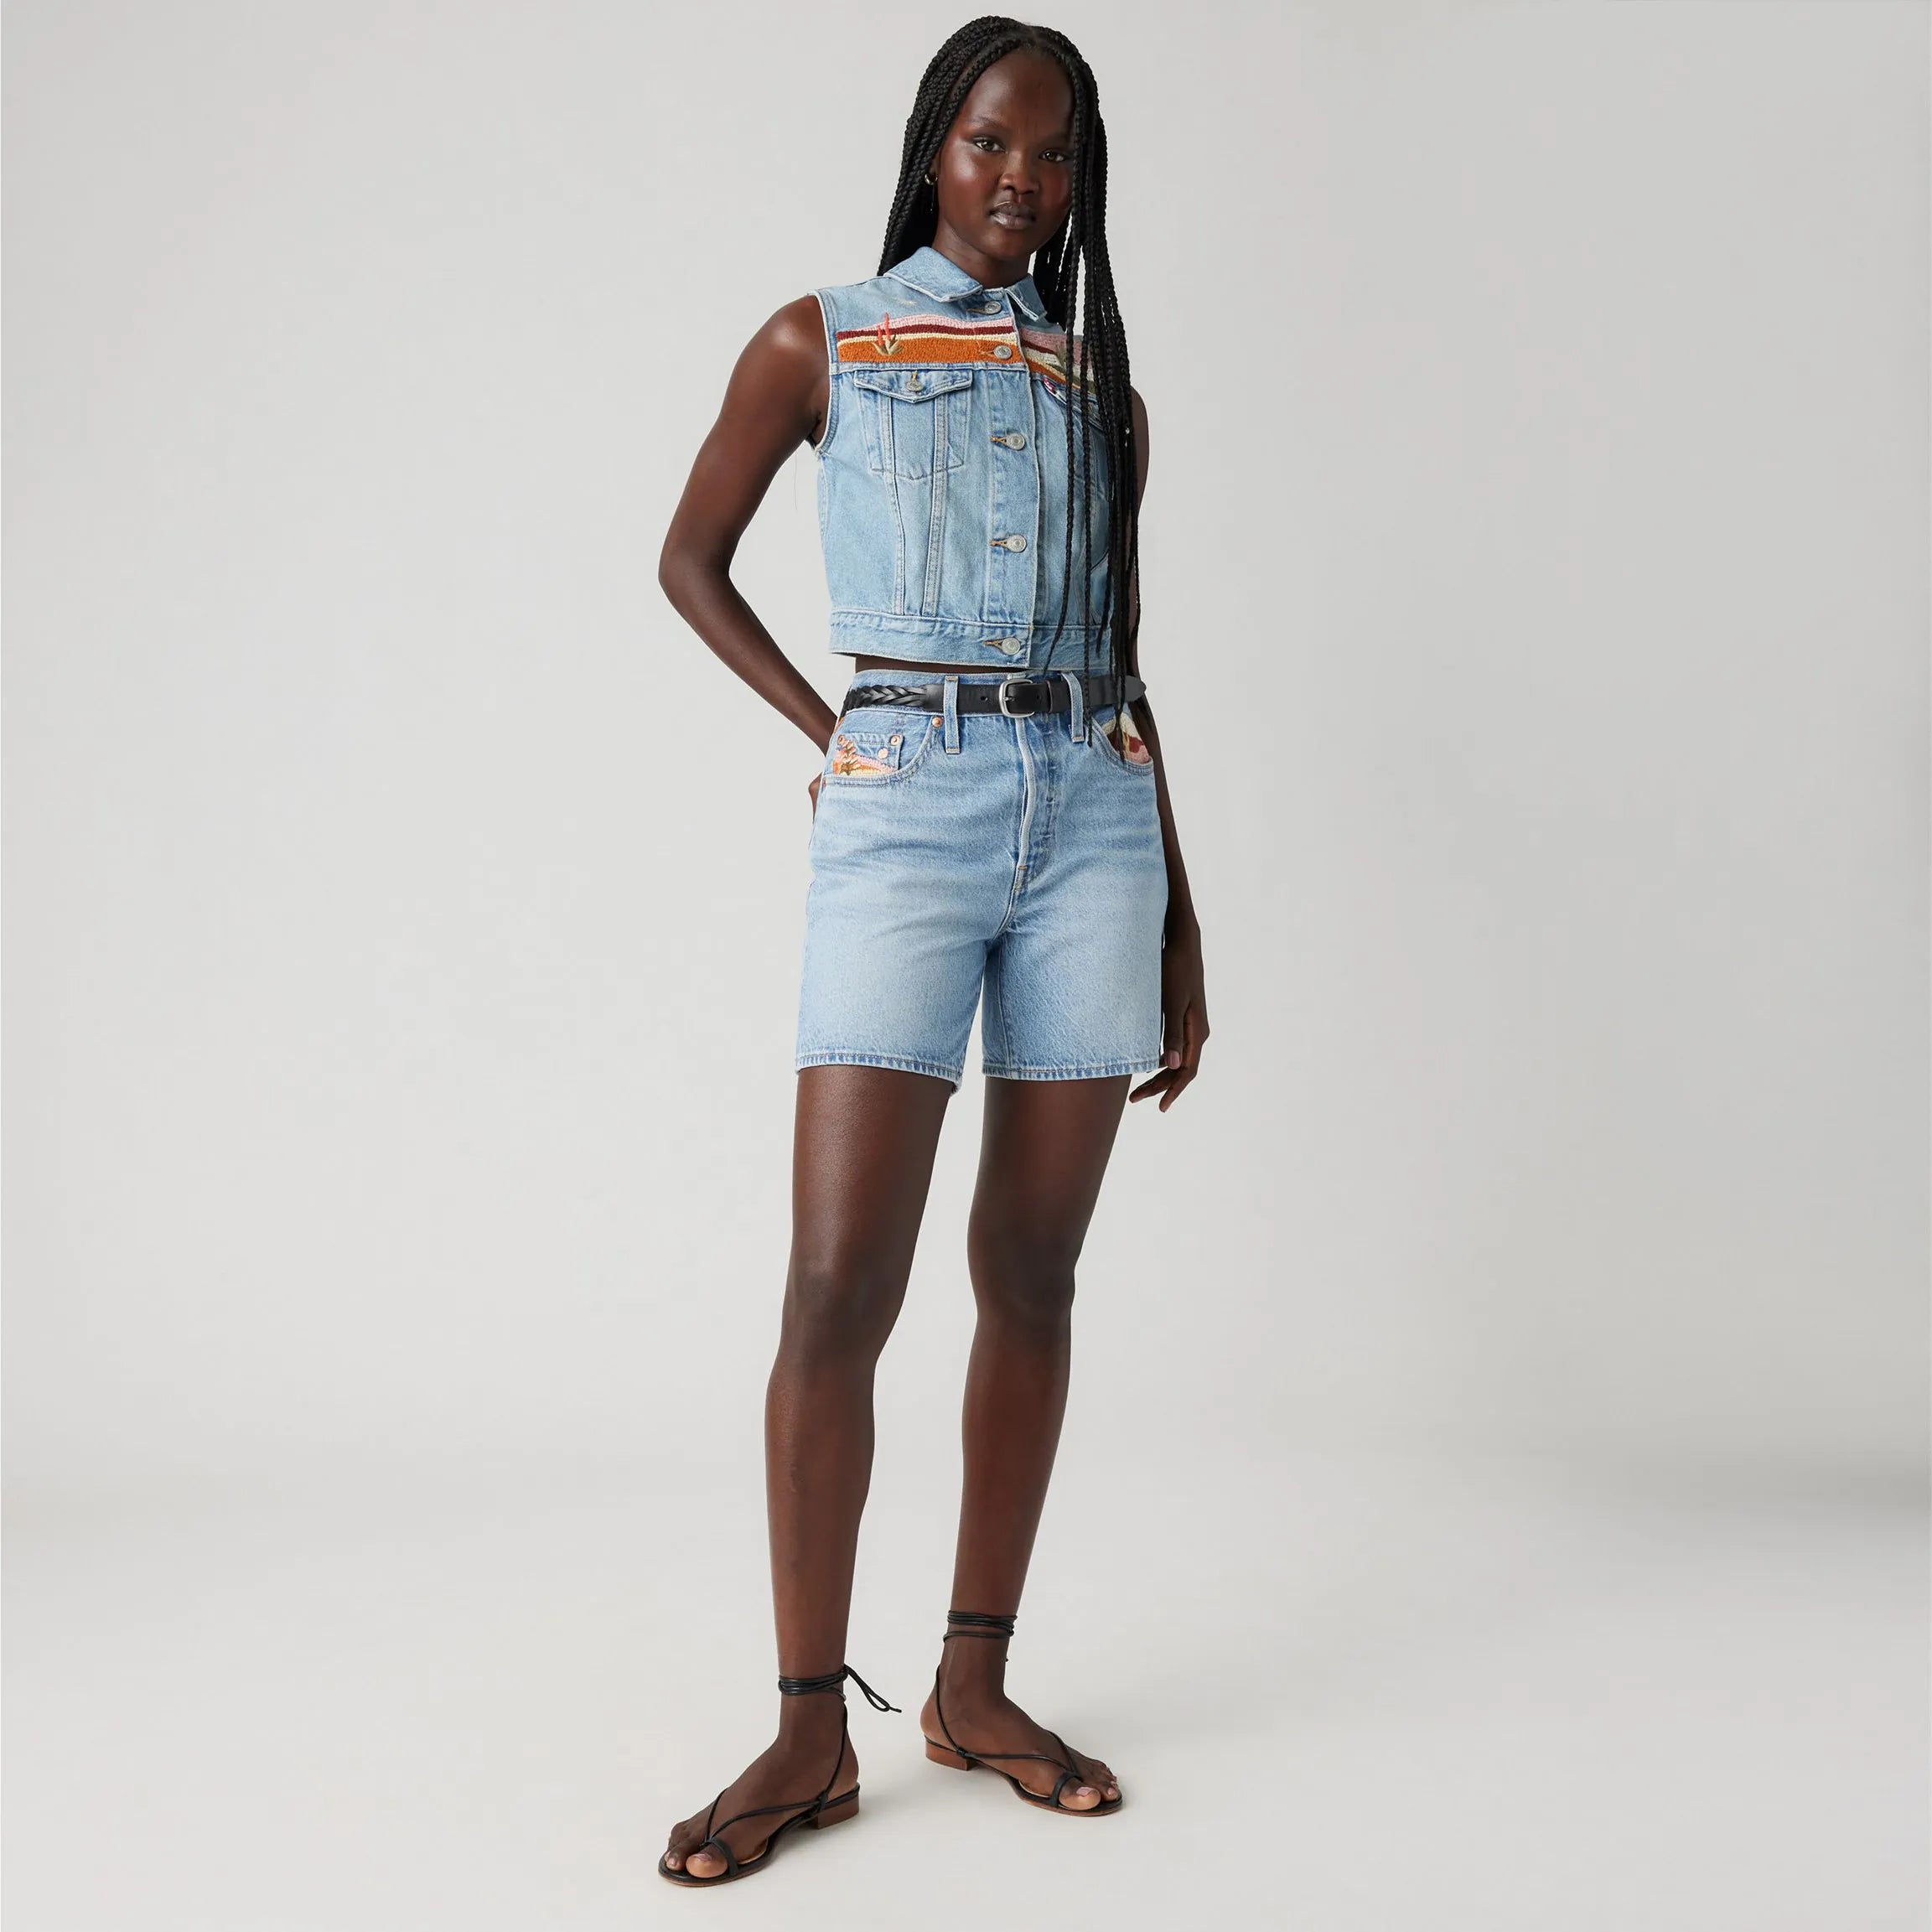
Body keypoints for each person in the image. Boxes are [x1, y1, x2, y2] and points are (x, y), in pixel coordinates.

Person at [654, 16, 1209, 1887]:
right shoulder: (819, 339)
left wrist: (1182, 912)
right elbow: (689, 559)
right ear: (931, 147)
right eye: (989, 141)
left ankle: (973, 1688)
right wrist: (838, 736)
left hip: (1096, 820)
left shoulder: (1101, 388)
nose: (1019, 180)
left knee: (1031, 1272)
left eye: (1052, 156)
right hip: (906, 810)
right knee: (836, 1284)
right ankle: (808, 1725)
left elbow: (1123, 657)